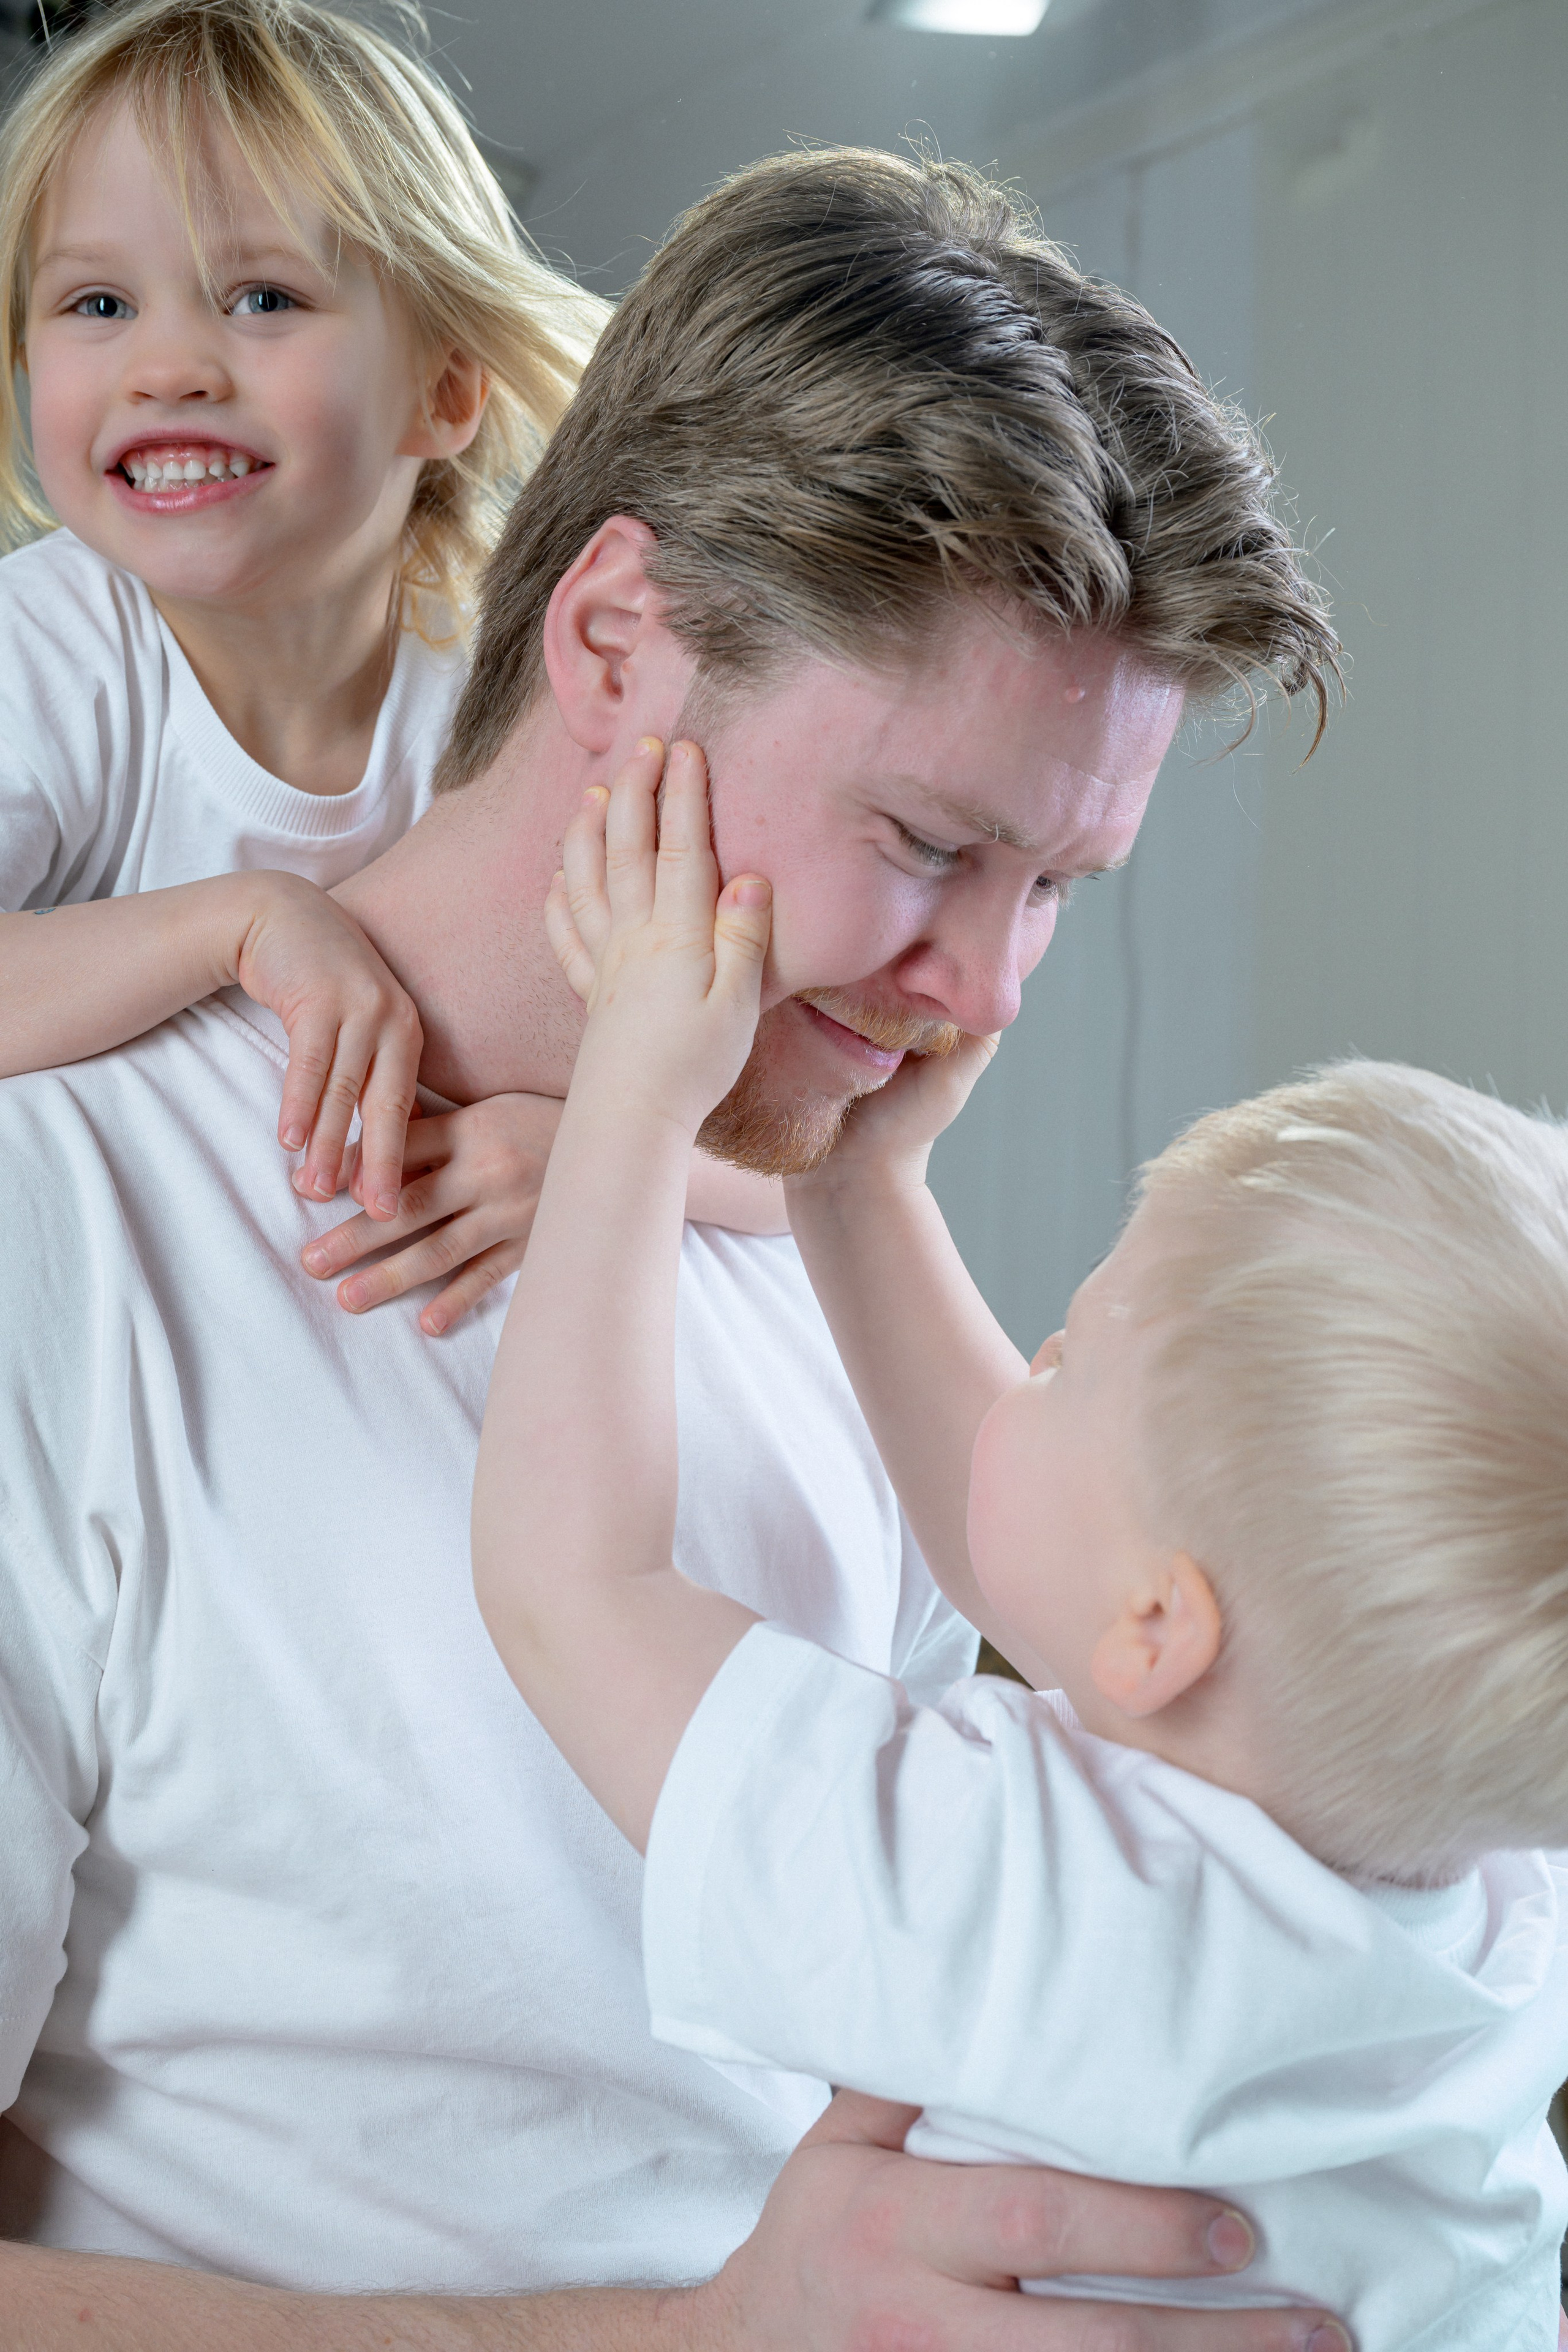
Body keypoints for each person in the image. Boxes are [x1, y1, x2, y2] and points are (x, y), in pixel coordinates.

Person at [0, 147, 1348, 2346]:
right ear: (619, 642)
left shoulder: (820, 1248)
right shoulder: (60, 1232)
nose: (985, 995)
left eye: (1058, 889)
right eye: (929, 844)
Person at [473, 736, 1568, 2351]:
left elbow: (580, 1585)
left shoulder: (1019, 1890)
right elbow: (1072, 1587)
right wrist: (862, 1187)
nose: (1028, 1369)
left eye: (1071, 1347)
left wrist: (637, 1090)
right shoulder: (1490, 1913)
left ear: (1160, 1627)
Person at [0, 0, 778, 1336]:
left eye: (262, 298)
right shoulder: (51, 644)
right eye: (96, 302)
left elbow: (792, 1139)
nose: (166, 365)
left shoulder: (509, 681)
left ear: (448, 390)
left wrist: (595, 1152)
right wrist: (242, 921)